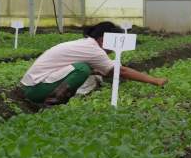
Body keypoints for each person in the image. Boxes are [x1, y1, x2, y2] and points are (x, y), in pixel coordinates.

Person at [20, 21, 167, 106]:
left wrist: (96, 71)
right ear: (103, 39)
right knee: (82, 69)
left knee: (87, 69)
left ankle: (51, 99)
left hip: (33, 86)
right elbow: (120, 72)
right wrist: (155, 81)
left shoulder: (86, 45)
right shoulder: (93, 50)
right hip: (36, 89)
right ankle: (52, 103)